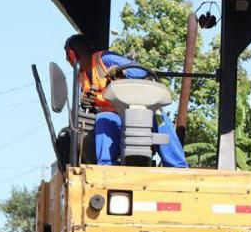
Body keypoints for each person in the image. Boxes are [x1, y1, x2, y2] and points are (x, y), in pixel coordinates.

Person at [63, 34, 187, 167]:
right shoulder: (81, 76)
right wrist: (87, 101)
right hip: (113, 116)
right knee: (102, 120)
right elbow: (93, 103)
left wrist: (122, 73)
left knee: (158, 118)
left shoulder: (104, 59)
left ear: (73, 55)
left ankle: (178, 166)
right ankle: (106, 167)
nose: (69, 62)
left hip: (139, 109)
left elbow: (141, 72)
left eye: (68, 58)